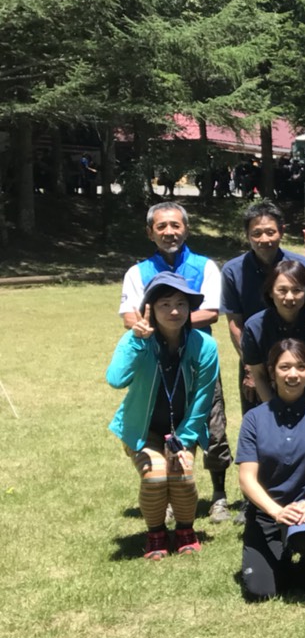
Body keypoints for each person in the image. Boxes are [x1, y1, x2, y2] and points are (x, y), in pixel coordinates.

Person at [118, 201, 233, 523]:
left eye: (175, 225)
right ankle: (167, 497)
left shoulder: (205, 266)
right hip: (154, 362)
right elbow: (129, 317)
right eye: (161, 226)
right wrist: (165, 325)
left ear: (187, 229)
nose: (169, 232)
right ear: (150, 233)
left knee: (212, 424)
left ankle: (219, 495)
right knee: (161, 423)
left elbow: (211, 312)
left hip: (198, 361)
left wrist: (168, 322)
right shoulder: (137, 272)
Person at [107, 272, 221, 560]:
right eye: (165, 304)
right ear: (150, 308)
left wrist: (184, 439)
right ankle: (155, 533)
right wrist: (136, 342)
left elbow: (203, 399)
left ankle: (185, 530)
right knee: (155, 475)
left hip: (183, 428)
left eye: (181, 304)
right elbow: (115, 379)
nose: (174, 311)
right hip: (141, 428)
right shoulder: (136, 339)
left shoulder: (204, 345)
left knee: (182, 474)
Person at [235, 339, 305, 600]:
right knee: (260, 591)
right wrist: (276, 511)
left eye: (300, 367)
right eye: (284, 367)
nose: (293, 374)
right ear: (272, 372)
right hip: (267, 513)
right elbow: (246, 478)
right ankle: (281, 558)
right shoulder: (254, 418)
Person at [221, 201, 305, 412]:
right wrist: (250, 368)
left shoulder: (302, 266)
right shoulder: (233, 270)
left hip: (301, 363)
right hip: (256, 360)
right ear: (247, 235)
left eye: (270, 232)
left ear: (281, 231)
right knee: (261, 421)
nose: (264, 239)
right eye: (256, 233)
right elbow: (235, 324)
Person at [241, 260, 305, 402]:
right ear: (270, 292)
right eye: (282, 290)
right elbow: (259, 375)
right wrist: (273, 410)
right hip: (271, 401)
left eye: (297, 290)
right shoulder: (254, 327)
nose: (289, 297)